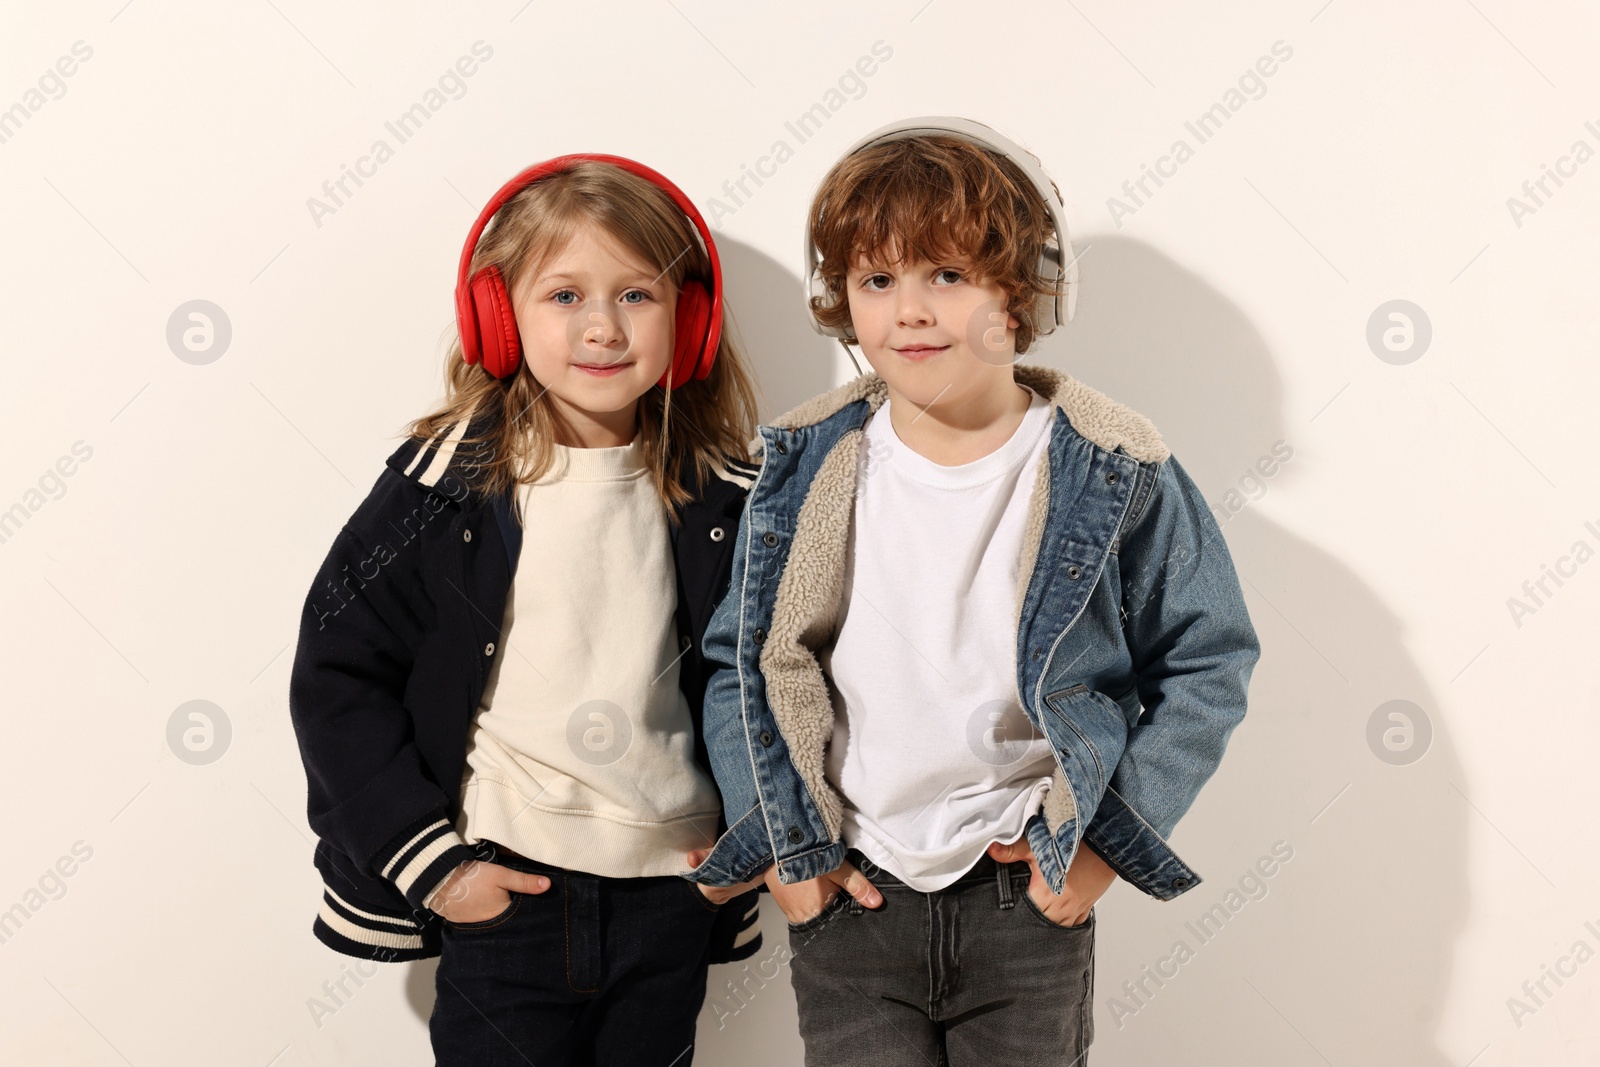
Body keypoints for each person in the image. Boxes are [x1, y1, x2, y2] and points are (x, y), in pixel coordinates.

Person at [684, 118, 1262, 1065]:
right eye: (877, 280)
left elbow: (1209, 657)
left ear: (1026, 289)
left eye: (946, 275)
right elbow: (738, 661)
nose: (909, 311)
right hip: (850, 896)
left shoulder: (1111, 467)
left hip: (1021, 901)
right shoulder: (807, 462)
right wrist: (784, 852)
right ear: (839, 299)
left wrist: (1106, 843)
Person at [287, 154, 768, 1065]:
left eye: (636, 296)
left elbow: (777, 674)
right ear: (498, 316)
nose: (602, 327)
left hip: (670, 892)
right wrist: (437, 866)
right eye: (563, 297)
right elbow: (338, 674)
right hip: (510, 890)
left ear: (691, 320)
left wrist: (747, 845)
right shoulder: (441, 494)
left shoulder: (724, 500)